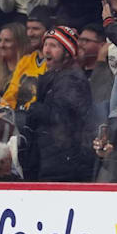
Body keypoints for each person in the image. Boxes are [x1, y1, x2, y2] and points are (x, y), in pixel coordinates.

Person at [17, 26, 95, 181]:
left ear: (67, 52)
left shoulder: (72, 79)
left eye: (54, 46)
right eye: (46, 44)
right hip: (51, 160)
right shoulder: (54, 77)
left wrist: (34, 109)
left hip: (64, 163)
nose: (47, 50)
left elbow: (63, 118)